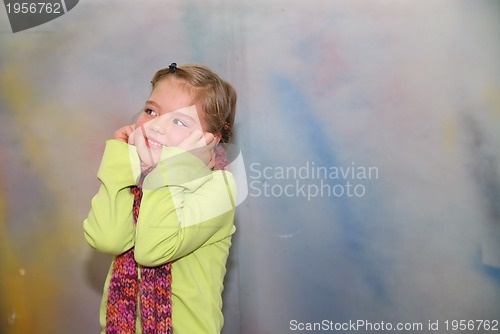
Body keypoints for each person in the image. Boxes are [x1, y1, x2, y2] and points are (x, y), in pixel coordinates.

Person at [83, 63, 237, 334]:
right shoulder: (137, 179)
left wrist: (172, 168)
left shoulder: (219, 188)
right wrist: (121, 160)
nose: (155, 126)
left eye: (179, 121)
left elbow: (152, 250)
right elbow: (108, 238)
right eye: (151, 111)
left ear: (208, 141)